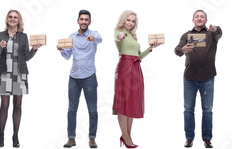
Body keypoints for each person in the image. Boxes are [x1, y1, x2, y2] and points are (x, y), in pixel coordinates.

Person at [113, 10, 161, 148]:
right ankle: (126, 137)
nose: (130, 23)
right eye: (128, 20)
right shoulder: (119, 32)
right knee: (123, 103)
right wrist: (121, 35)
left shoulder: (133, 36)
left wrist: (150, 49)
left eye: (133, 21)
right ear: (123, 20)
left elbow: (138, 56)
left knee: (132, 102)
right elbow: (117, 36)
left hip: (135, 67)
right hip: (124, 68)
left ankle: (127, 136)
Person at [0, 9, 42, 148]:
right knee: (4, 105)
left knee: (17, 105)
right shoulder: (0, 35)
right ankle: (1, 134)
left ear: (18, 19)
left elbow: (26, 57)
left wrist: (34, 49)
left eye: (15, 17)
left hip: (20, 73)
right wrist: (0, 47)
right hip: (5, 73)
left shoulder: (23, 36)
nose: (13, 19)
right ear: (7, 19)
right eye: (10, 17)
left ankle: (15, 135)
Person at [174, 10, 222, 148]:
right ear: (193, 20)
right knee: (188, 109)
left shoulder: (211, 34)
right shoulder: (186, 35)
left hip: (207, 77)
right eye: (197, 17)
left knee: (207, 109)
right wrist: (182, 50)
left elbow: (220, 32)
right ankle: (189, 138)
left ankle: (207, 138)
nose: (199, 19)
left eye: (202, 17)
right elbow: (177, 50)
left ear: (206, 20)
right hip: (189, 78)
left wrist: (215, 29)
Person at [57, 9, 102, 148]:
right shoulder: (72, 36)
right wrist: (62, 50)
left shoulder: (94, 34)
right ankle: (71, 138)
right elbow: (67, 56)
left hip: (89, 77)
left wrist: (92, 39)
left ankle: (92, 138)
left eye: (86, 19)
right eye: (81, 19)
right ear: (78, 21)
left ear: (89, 22)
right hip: (74, 78)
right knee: (71, 110)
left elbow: (100, 39)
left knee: (92, 110)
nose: (83, 22)